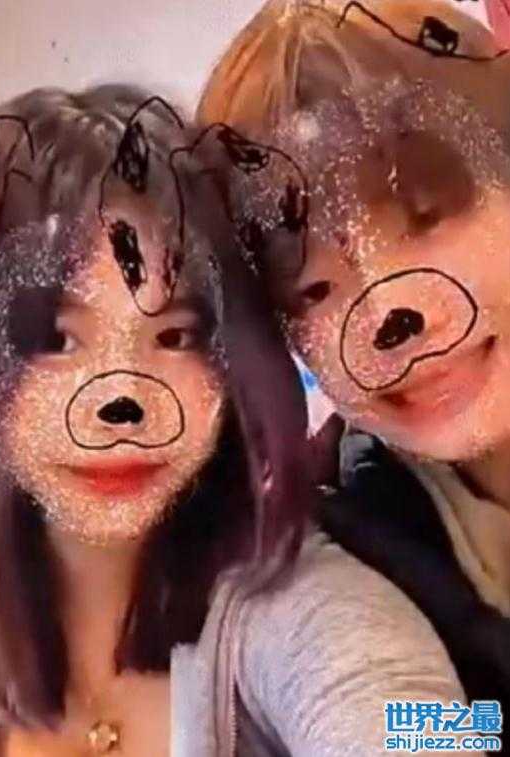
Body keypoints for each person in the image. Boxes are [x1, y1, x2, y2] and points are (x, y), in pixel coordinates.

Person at [0, 83, 469, 757]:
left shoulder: (316, 609)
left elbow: (421, 723)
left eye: (174, 336)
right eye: (56, 339)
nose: (123, 398)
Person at [197, 0, 510, 741]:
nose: (384, 313)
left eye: (425, 219)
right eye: (312, 288)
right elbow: (428, 727)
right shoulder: (342, 556)